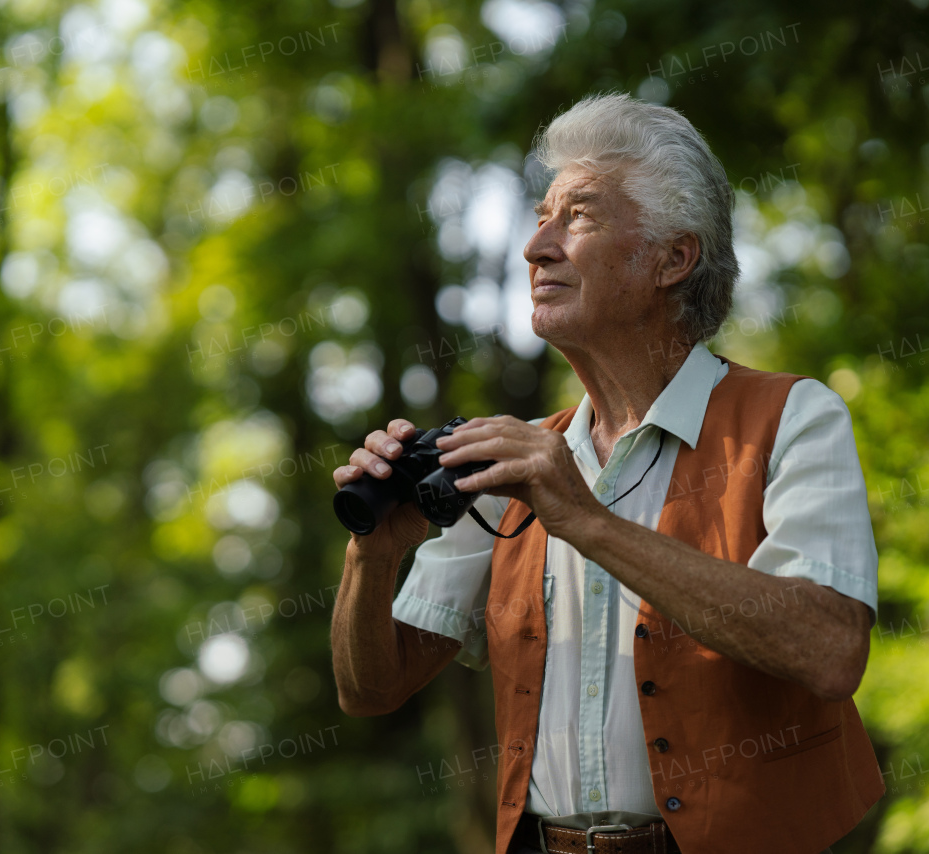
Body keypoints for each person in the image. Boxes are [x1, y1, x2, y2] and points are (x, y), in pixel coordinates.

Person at [330, 92, 883, 854]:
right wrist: (374, 553)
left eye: (579, 216)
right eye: (540, 217)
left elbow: (830, 649)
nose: (537, 247)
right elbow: (370, 688)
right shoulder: (520, 457)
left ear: (672, 259)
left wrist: (586, 520)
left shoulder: (794, 417)